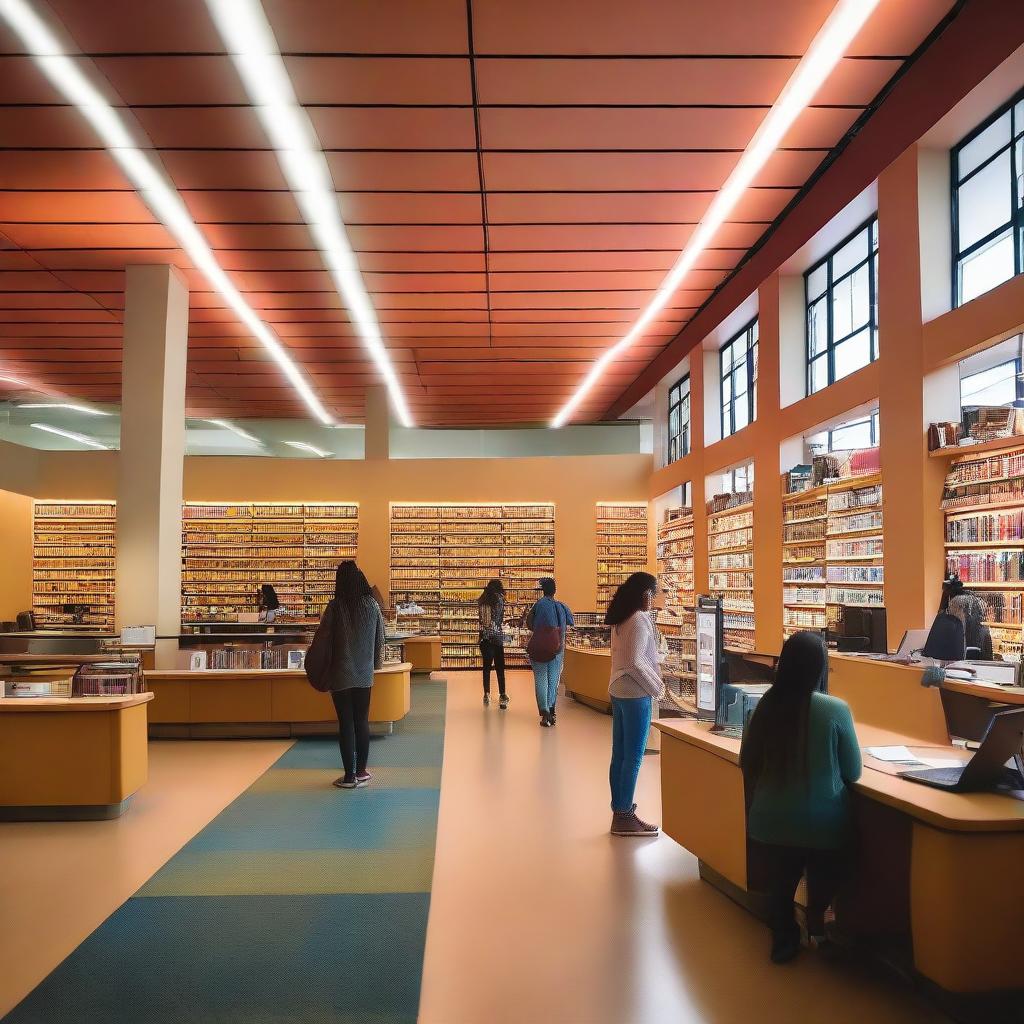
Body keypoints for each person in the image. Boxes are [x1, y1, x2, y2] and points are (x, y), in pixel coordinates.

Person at [739, 630, 862, 964]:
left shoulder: (764, 708)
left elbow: (746, 762)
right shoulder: (836, 710)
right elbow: (854, 772)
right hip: (822, 824)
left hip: (769, 821)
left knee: (781, 876)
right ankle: (818, 918)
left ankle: (784, 938)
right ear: (821, 668)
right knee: (833, 859)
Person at [605, 571, 662, 837]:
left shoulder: (621, 618)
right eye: (652, 592)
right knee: (634, 757)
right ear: (643, 593)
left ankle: (619, 809)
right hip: (635, 693)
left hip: (617, 689)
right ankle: (625, 814)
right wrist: (657, 687)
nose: (653, 598)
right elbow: (637, 662)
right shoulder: (639, 619)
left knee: (620, 754)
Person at [321, 561, 385, 790]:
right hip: (364, 674)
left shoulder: (335, 607)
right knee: (362, 721)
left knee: (345, 723)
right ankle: (362, 772)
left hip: (340, 674)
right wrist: (375, 665)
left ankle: (348, 776)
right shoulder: (372, 605)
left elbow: (324, 639)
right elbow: (380, 639)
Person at [526, 577, 574, 727]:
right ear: (555, 590)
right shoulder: (562, 607)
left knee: (541, 679)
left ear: (542, 591)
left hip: (540, 647)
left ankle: (545, 712)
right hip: (557, 650)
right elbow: (570, 622)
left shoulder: (539, 605)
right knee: (553, 680)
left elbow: (530, 624)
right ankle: (552, 710)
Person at [477, 579, 509, 709]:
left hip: (485, 638)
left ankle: (486, 694)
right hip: (497, 638)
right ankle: (502, 695)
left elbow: (483, 620)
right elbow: (499, 618)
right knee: (500, 668)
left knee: (486, 668)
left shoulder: (482, 599)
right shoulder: (500, 599)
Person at [948, 591, 993, 660]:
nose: (950, 613)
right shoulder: (951, 629)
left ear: (963, 611)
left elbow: (988, 660)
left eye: (953, 610)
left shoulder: (982, 632)